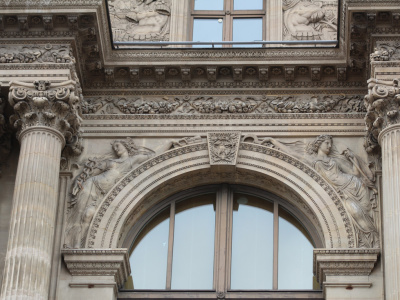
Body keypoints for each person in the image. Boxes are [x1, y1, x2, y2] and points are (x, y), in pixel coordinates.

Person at [260, 135, 379, 248]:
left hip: (353, 185)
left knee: (364, 213)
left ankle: (375, 243)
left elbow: (355, 174)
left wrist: (353, 158)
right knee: (357, 214)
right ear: (319, 144)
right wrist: (274, 141)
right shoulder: (313, 160)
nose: (329, 146)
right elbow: (292, 153)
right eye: (326, 143)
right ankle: (372, 241)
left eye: (331, 144)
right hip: (341, 192)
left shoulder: (335, 160)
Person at [65, 137, 173, 248]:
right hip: (92, 185)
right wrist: (80, 180)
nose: (115, 149)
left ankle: (80, 244)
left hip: (104, 194)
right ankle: (76, 244)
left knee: (88, 214)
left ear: (126, 146)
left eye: (117, 146)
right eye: (114, 147)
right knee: (80, 214)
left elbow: (154, 157)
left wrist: (170, 143)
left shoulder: (133, 160)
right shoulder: (110, 162)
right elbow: (92, 172)